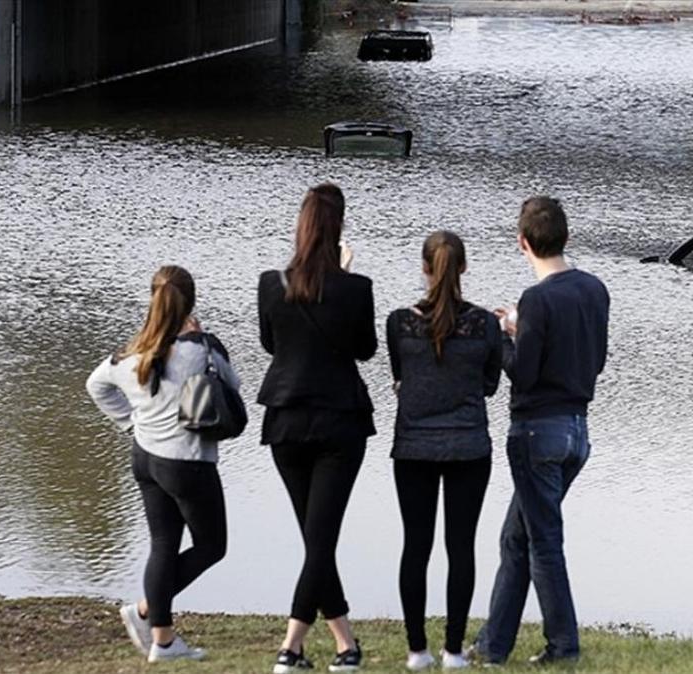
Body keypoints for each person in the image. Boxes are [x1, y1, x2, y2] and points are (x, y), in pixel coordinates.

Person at [472, 196, 610, 665]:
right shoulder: (593, 289)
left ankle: (563, 646)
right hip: (578, 432)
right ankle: (493, 646)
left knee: (543, 541)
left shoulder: (537, 299)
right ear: (566, 237)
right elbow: (596, 360)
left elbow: (524, 373)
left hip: (536, 433)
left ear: (522, 243)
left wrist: (506, 336)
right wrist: (522, 327)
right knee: (517, 537)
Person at [86, 265, 237, 664]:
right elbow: (233, 386)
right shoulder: (201, 348)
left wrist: (130, 421)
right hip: (187, 463)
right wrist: (201, 338)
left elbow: (95, 384)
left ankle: (164, 641)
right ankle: (146, 612)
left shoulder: (133, 350)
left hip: (145, 458)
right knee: (211, 546)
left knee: (163, 544)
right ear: (190, 303)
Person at [257, 183, 376, 674]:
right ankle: (291, 648)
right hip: (338, 424)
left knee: (315, 539)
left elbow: (270, 345)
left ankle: (345, 646)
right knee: (321, 540)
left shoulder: (271, 284)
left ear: (300, 228)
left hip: (285, 420)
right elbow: (365, 349)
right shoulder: (356, 287)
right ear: (339, 229)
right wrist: (343, 279)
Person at [386, 231, 502, 671]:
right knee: (461, 547)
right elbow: (490, 384)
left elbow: (400, 376)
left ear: (424, 268)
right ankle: (454, 649)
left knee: (415, 545)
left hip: (413, 446)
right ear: (464, 269)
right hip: (469, 446)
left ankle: (417, 649)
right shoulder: (486, 326)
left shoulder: (399, 322)